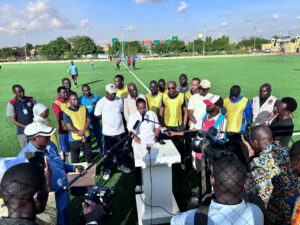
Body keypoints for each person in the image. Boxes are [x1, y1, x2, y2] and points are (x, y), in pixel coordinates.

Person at [17, 122, 84, 225]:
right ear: (35, 138)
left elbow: (60, 164)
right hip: (49, 199)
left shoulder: (50, 145)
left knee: (65, 219)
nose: (49, 137)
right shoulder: (25, 157)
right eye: (45, 136)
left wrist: (73, 167)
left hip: (64, 191)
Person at [171, 156, 264, 225]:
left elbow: (173, 220)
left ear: (212, 180)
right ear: (245, 183)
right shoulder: (256, 211)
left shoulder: (193, 217)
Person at [243, 125, 296, 225]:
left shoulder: (259, 163)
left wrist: (249, 157)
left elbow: (250, 192)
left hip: (276, 217)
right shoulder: (287, 151)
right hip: (295, 212)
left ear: (254, 142)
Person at [94, 84, 131, 181]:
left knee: (120, 150)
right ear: (106, 93)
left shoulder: (119, 100)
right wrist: (106, 119)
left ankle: (121, 165)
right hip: (108, 133)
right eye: (111, 93)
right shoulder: (101, 102)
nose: (114, 95)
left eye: (115, 93)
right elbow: (97, 115)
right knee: (108, 152)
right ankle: (107, 169)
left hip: (120, 131)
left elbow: (122, 112)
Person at [127, 98, 160, 193]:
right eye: (140, 108)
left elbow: (157, 127)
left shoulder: (152, 114)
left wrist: (156, 136)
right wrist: (137, 139)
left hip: (151, 142)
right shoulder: (133, 116)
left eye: (144, 108)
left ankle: (153, 181)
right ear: (136, 107)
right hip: (139, 144)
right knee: (138, 164)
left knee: (153, 162)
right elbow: (131, 131)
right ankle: (138, 184)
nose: (142, 110)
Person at [160, 81, 187, 163]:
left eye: (173, 88)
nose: (171, 90)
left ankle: (181, 162)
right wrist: (163, 126)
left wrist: (184, 126)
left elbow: (186, 112)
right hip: (168, 126)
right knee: (168, 146)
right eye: (169, 88)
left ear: (176, 87)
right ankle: (170, 163)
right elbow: (161, 112)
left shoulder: (182, 96)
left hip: (178, 126)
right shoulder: (164, 96)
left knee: (180, 147)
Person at [63, 92, 93, 163]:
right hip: (74, 139)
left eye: (76, 99)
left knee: (89, 155)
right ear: (69, 101)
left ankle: (92, 171)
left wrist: (83, 131)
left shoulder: (83, 107)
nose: (76, 101)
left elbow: (88, 120)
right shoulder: (66, 112)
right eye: (74, 99)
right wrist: (82, 133)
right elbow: (69, 126)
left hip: (86, 135)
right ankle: (76, 173)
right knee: (75, 158)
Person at [79, 84, 103, 152]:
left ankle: (101, 149)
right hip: (85, 123)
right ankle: (87, 151)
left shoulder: (96, 97)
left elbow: (102, 106)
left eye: (88, 90)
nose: (87, 92)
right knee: (86, 138)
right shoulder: (80, 99)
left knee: (99, 136)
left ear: (90, 89)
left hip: (95, 121)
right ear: (82, 91)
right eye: (85, 90)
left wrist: (100, 116)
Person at [53, 86, 71, 161]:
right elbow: (58, 116)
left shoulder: (69, 100)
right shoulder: (56, 103)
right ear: (59, 93)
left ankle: (69, 154)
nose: (66, 94)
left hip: (71, 125)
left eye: (66, 92)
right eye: (64, 93)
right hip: (63, 126)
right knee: (64, 142)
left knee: (71, 141)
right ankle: (63, 153)